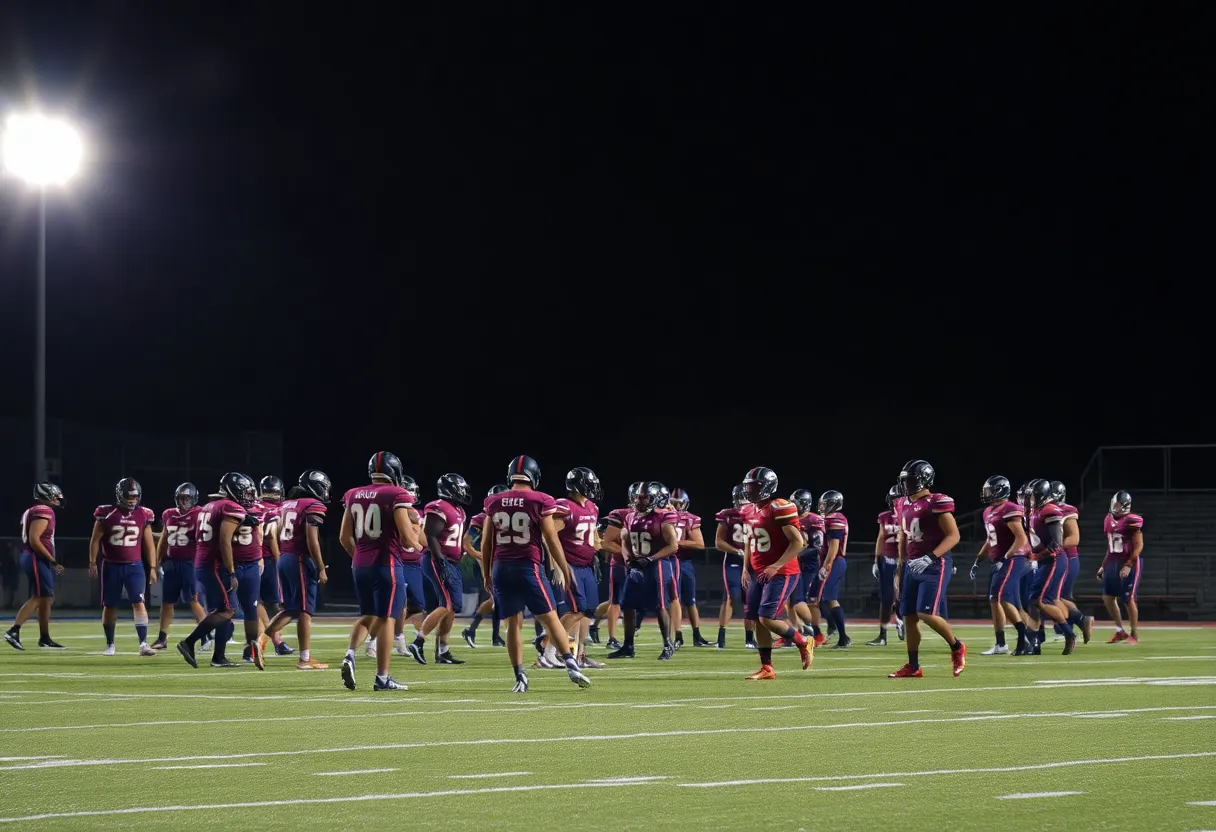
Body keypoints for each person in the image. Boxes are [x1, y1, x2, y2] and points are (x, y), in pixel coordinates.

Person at [480, 455, 590, 692]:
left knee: (513, 624)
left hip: (501, 568)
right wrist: (563, 566)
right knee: (550, 618)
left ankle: (519, 675)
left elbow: (487, 543)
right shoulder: (541, 500)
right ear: (534, 476)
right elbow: (551, 538)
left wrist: (486, 574)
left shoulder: (494, 501)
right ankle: (571, 664)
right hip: (528, 567)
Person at [339, 451, 421, 691]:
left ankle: (350, 655)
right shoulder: (397, 494)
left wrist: (360, 558)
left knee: (368, 615)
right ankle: (382, 678)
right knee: (387, 619)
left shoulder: (353, 494)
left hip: (360, 564)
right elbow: (407, 539)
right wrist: (418, 543)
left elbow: (345, 538)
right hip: (387, 564)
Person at [176, 473, 262, 669]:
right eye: (243, 492)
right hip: (213, 565)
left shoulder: (209, 506)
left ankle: (219, 657)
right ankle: (189, 642)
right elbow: (224, 541)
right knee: (228, 610)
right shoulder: (229, 507)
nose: (247, 497)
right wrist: (231, 572)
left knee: (224, 610)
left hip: (202, 562)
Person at [890, 459, 966, 678]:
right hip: (911, 564)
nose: (906, 484)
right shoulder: (901, 503)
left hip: (934, 564)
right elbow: (904, 535)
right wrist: (901, 564)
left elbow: (954, 536)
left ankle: (956, 646)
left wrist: (931, 556)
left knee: (925, 613)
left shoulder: (936, 501)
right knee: (909, 616)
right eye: (905, 480)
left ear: (924, 480)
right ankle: (913, 666)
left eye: (911, 480)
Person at [738, 467, 812, 679]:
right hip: (761, 572)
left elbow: (798, 542)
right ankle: (767, 667)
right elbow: (749, 540)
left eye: (754, 486)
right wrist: (745, 567)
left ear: (767, 487)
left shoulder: (779, 507)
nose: (750, 490)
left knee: (766, 618)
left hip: (782, 571)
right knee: (755, 617)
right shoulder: (749, 510)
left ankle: (802, 640)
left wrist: (776, 566)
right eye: (748, 486)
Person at [259, 471, 331, 669]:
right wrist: (320, 566)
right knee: (304, 611)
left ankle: (262, 642)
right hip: (299, 558)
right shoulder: (311, 505)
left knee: (293, 609)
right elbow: (312, 540)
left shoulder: (286, 504)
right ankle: (303, 659)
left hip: (284, 557)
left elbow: (276, 533)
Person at [610, 482, 680, 660]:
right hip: (636, 565)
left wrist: (650, 558)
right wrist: (628, 561)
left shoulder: (663, 517)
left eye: (644, 497)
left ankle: (668, 644)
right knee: (627, 605)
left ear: (654, 498)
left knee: (660, 606)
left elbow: (673, 546)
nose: (639, 500)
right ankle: (628, 646)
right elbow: (624, 541)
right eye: (637, 497)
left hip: (657, 565)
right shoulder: (630, 516)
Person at [406, 473, 472, 665]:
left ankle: (442, 651)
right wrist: (440, 560)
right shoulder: (438, 507)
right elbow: (431, 534)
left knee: (452, 608)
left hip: (451, 561)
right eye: (460, 488)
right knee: (448, 604)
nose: (463, 492)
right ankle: (418, 641)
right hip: (437, 560)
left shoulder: (459, 509)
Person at [89, 478, 158, 657]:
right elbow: (95, 540)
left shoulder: (144, 514)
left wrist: (152, 567)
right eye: (129, 496)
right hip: (111, 565)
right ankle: (110, 643)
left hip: (135, 566)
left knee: (139, 602)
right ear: (120, 495)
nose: (133, 500)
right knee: (110, 605)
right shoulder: (106, 513)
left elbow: (149, 544)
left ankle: (143, 643)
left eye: (135, 496)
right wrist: (92, 562)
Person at [4, 483, 66, 650]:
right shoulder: (43, 510)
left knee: (46, 597)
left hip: (33, 557)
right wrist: (52, 561)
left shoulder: (33, 510)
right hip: (35, 557)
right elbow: (34, 539)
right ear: (45, 496)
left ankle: (45, 638)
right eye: (54, 496)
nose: (57, 499)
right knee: (41, 596)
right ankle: (13, 630)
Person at [972, 475, 1029, 655]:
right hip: (997, 561)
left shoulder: (1010, 509)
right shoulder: (988, 511)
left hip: (1013, 559)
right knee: (994, 599)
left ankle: (1023, 638)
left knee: (1002, 597)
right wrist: (978, 560)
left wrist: (1005, 557)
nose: (987, 494)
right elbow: (990, 540)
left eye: (990, 490)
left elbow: (1021, 538)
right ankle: (1001, 643)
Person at [554, 467, 605, 668]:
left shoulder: (592, 507)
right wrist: (558, 566)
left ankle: (579, 655)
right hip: (571, 565)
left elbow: (594, 537)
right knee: (577, 610)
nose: (593, 488)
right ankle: (548, 650)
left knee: (587, 611)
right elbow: (550, 537)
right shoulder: (564, 507)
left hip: (586, 566)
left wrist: (597, 552)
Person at [1025, 478, 1079, 654]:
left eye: (1032, 496)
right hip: (1045, 561)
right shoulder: (1038, 510)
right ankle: (1032, 644)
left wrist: (1036, 555)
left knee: (1040, 601)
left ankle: (1069, 632)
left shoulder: (1050, 510)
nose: (1029, 500)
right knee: (1034, 601)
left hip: (1054, 560)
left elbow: (1056, 544)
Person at [151, 483, 207, 650]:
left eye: (187, 498)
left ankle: (205, 635)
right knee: (167, 601)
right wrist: (157, 561)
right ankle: (162, 638)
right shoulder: (168, 514)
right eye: (181, 498)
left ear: (194, 499)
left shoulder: (199, 514)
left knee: (193, 599)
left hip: (190, 563)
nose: (183, 502)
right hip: (171, 562)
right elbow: (164, 538)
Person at [596, 481, 643, 650]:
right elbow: (605, 543)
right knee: (615, 601)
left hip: (643, 566)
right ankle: (612, 638)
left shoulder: (655, 516)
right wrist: (627, 553)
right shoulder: (621, 514)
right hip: (621, 566)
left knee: (639, 602)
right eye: (640, 497)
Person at [461, 485, 508, 648]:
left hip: (502, 561)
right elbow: (466, 543)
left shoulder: (508, 516)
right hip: (489, 563)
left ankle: (494, 636)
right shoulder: (482, 518)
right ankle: (471, 630)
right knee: (497, 598)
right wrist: (481, 556)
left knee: (497, 600)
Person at [255, 476, 293, 656]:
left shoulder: (255, 506)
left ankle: (270, 642)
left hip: (252, 559)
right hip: (271, 558)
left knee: (259, 602)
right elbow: (272, 537)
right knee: (278, 604)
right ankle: (273, 641)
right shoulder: (282, 508)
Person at [1100, 490, 1143, 644]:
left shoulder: (1131, 520)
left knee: (1128, 598)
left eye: (1119, 505)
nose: (1116, 507)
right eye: (1115, 504)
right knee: (1107, 597)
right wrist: (1103, 566)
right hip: (1113, 561)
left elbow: (1139, 546)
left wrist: (1129, 565)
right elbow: (1110, 546)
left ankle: (1134, 634)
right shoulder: (1108, 519)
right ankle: (1120, 631)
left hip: (1128, 561)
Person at [669, 488, 710, 648]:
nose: (677, 507)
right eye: (674, 503)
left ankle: (696, 636)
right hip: (670, 561)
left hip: (684, 562)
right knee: (673, 599)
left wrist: (676, 543)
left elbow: (700, 544)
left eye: (680, 503)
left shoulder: (690, 519)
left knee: (690, 601)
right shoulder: (663, 516)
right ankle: (676, 636)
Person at [713, 484, 752, 650]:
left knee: (750, 599)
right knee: (731, 596)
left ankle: (750, 638)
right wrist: (737, 551)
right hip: (733, 561)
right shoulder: (727, 515)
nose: (743, 501)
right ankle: (721, 637)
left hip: (752, 563)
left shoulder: (757, 515)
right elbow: (718, 542)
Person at [787, 489, 825, 646]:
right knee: (789, 601)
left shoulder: (813, 519)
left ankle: (817, 632)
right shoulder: (791, 518)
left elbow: (817, 546)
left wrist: (795, 553)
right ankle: (791, 634)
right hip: (794, 565)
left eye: (796, 503)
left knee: (800, 601)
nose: (794, 506)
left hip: (809, 566)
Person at [867, 484, 904, 646]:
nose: (895, 501)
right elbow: (881, 537)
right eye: (893, 498)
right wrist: (877, 560)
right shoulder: (885, 516)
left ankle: (901, 620)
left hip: (905, 559)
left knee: (901, 594)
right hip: (888, 559)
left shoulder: (909, 514)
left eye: (898, 498)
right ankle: (883, 635)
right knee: (887, 597)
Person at [816, 490, 851, 649]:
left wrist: (826, 564)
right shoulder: (827, 519)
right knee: (823, 598)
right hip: (830, 560)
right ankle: (837, 631)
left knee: (827, 596)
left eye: (826, 504)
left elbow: (834, 545)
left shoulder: (836, 518)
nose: (823, 507)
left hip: (835, 560)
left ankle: (840, 634)